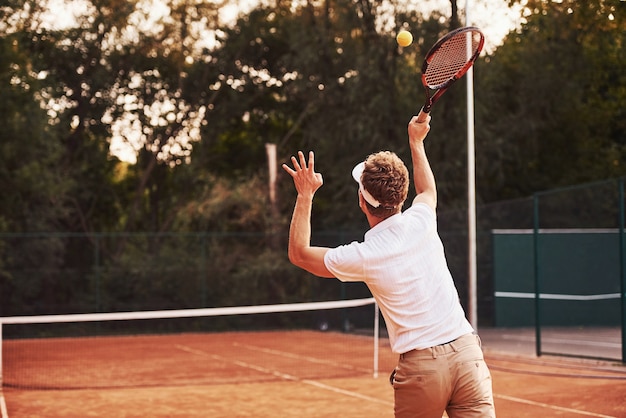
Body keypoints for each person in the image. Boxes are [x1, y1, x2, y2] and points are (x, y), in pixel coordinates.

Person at [281, 113, 496, 418]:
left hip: (422, 368)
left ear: (362, 200)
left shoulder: (365, 255)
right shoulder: (422, 219)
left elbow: (300, 254)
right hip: (468, 355)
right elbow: (427, 191)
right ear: (401, 196)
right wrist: (416, 141)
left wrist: (305, 194)